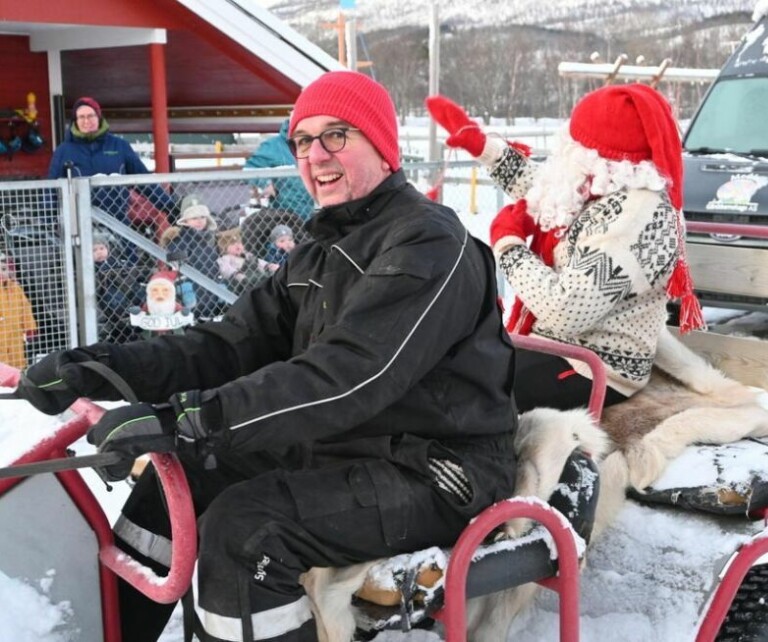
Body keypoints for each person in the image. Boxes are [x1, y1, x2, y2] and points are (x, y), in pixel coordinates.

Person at [16, 70, 517, 642]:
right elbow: (228, 344)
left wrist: (189, 419)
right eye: (303, 141)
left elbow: (347, 377)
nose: (316, 155)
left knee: (246, 533)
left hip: (435, 467)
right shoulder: (322, 249)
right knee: (175, 480)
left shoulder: (428, 243)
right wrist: (100, 368)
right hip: (348, 444)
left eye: (336, 135)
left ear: (382, 146)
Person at [427, 83, 704, 413]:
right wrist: (487, 149)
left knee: (459, 393)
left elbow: (566, 311)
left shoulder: (637, 219)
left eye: (576, 143)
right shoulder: (608, 186)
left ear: (597, 158)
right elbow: (551, 189)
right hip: (559, 349)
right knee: (445, 364)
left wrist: (509, 246)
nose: (568, 148)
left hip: (596, 367)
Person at [47, 97, 177, 239]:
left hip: (118, 219)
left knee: (129, 251)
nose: (86, 121)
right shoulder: (64, 150)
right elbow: (51, 187)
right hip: (79, 223)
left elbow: (143, 180)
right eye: (81, 117)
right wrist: (47, 220)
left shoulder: (119, 146)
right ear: (75, 121)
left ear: (99, 117)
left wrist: (169, 206)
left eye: (90, 116)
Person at [160, 194, 222, 318]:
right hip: (191, 293)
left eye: (202, 217)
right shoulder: (179, 240)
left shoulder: (210, 239)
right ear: (185, 221)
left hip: (211, 290)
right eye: (194, 218)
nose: (199, 221)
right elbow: (175, 267)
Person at [244, 117, 316, 220]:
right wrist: (265, 183)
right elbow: (249, 169)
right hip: (284, 214)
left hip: (313, 211)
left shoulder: (314, 143)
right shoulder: (273, 146)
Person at [92, 231, 138, 343]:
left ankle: (131, 313)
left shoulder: (115, 262)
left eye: (102, 248)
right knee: (112, 296)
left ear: (108, 249)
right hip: (104, 294)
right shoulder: (92, 267)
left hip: (121, 289)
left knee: (133, 291)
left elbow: (129, 273)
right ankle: (123, 315)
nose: (99, 252)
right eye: (94, 250)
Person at [0, 252, 37, 370]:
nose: (1, 273)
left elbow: (25, 309)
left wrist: (30, 329)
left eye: (4, 269)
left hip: (15, 335)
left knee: (17, 363)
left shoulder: (16, 289)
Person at [216, 227, 277, 293]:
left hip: (256, 276)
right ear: (225, 248)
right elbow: (226, 269)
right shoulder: (226, 258)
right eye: (232, 244)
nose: (237, 245)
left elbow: (259, 262)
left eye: (239, 243)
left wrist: (268, 265)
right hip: (240, 282)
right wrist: (236, 274)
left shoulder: (247, 255)